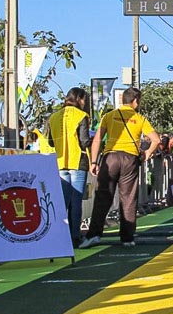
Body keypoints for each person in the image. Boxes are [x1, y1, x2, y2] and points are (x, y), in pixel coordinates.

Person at [83, 87, 160, 248]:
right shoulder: (140, 118)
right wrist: (147, 154)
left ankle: (94, 235)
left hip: (110, 157)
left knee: (103, 196)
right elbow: (156, 140)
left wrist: (94, 162)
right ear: (136, 101)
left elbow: (97, 139)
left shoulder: (109, 116)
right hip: (130, 158)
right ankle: (127, 237)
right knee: (129, 198)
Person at [47, 88, 92, 247]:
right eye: (84, 99)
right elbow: (84, 141)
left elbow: (51, 142)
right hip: (78, 161)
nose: (84, 102)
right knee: (76, 200)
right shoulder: (81, 116)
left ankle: (60, 236)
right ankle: (75, 237)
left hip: (60, 163)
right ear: (79, 99)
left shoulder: (53, 117)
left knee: (63, 201)